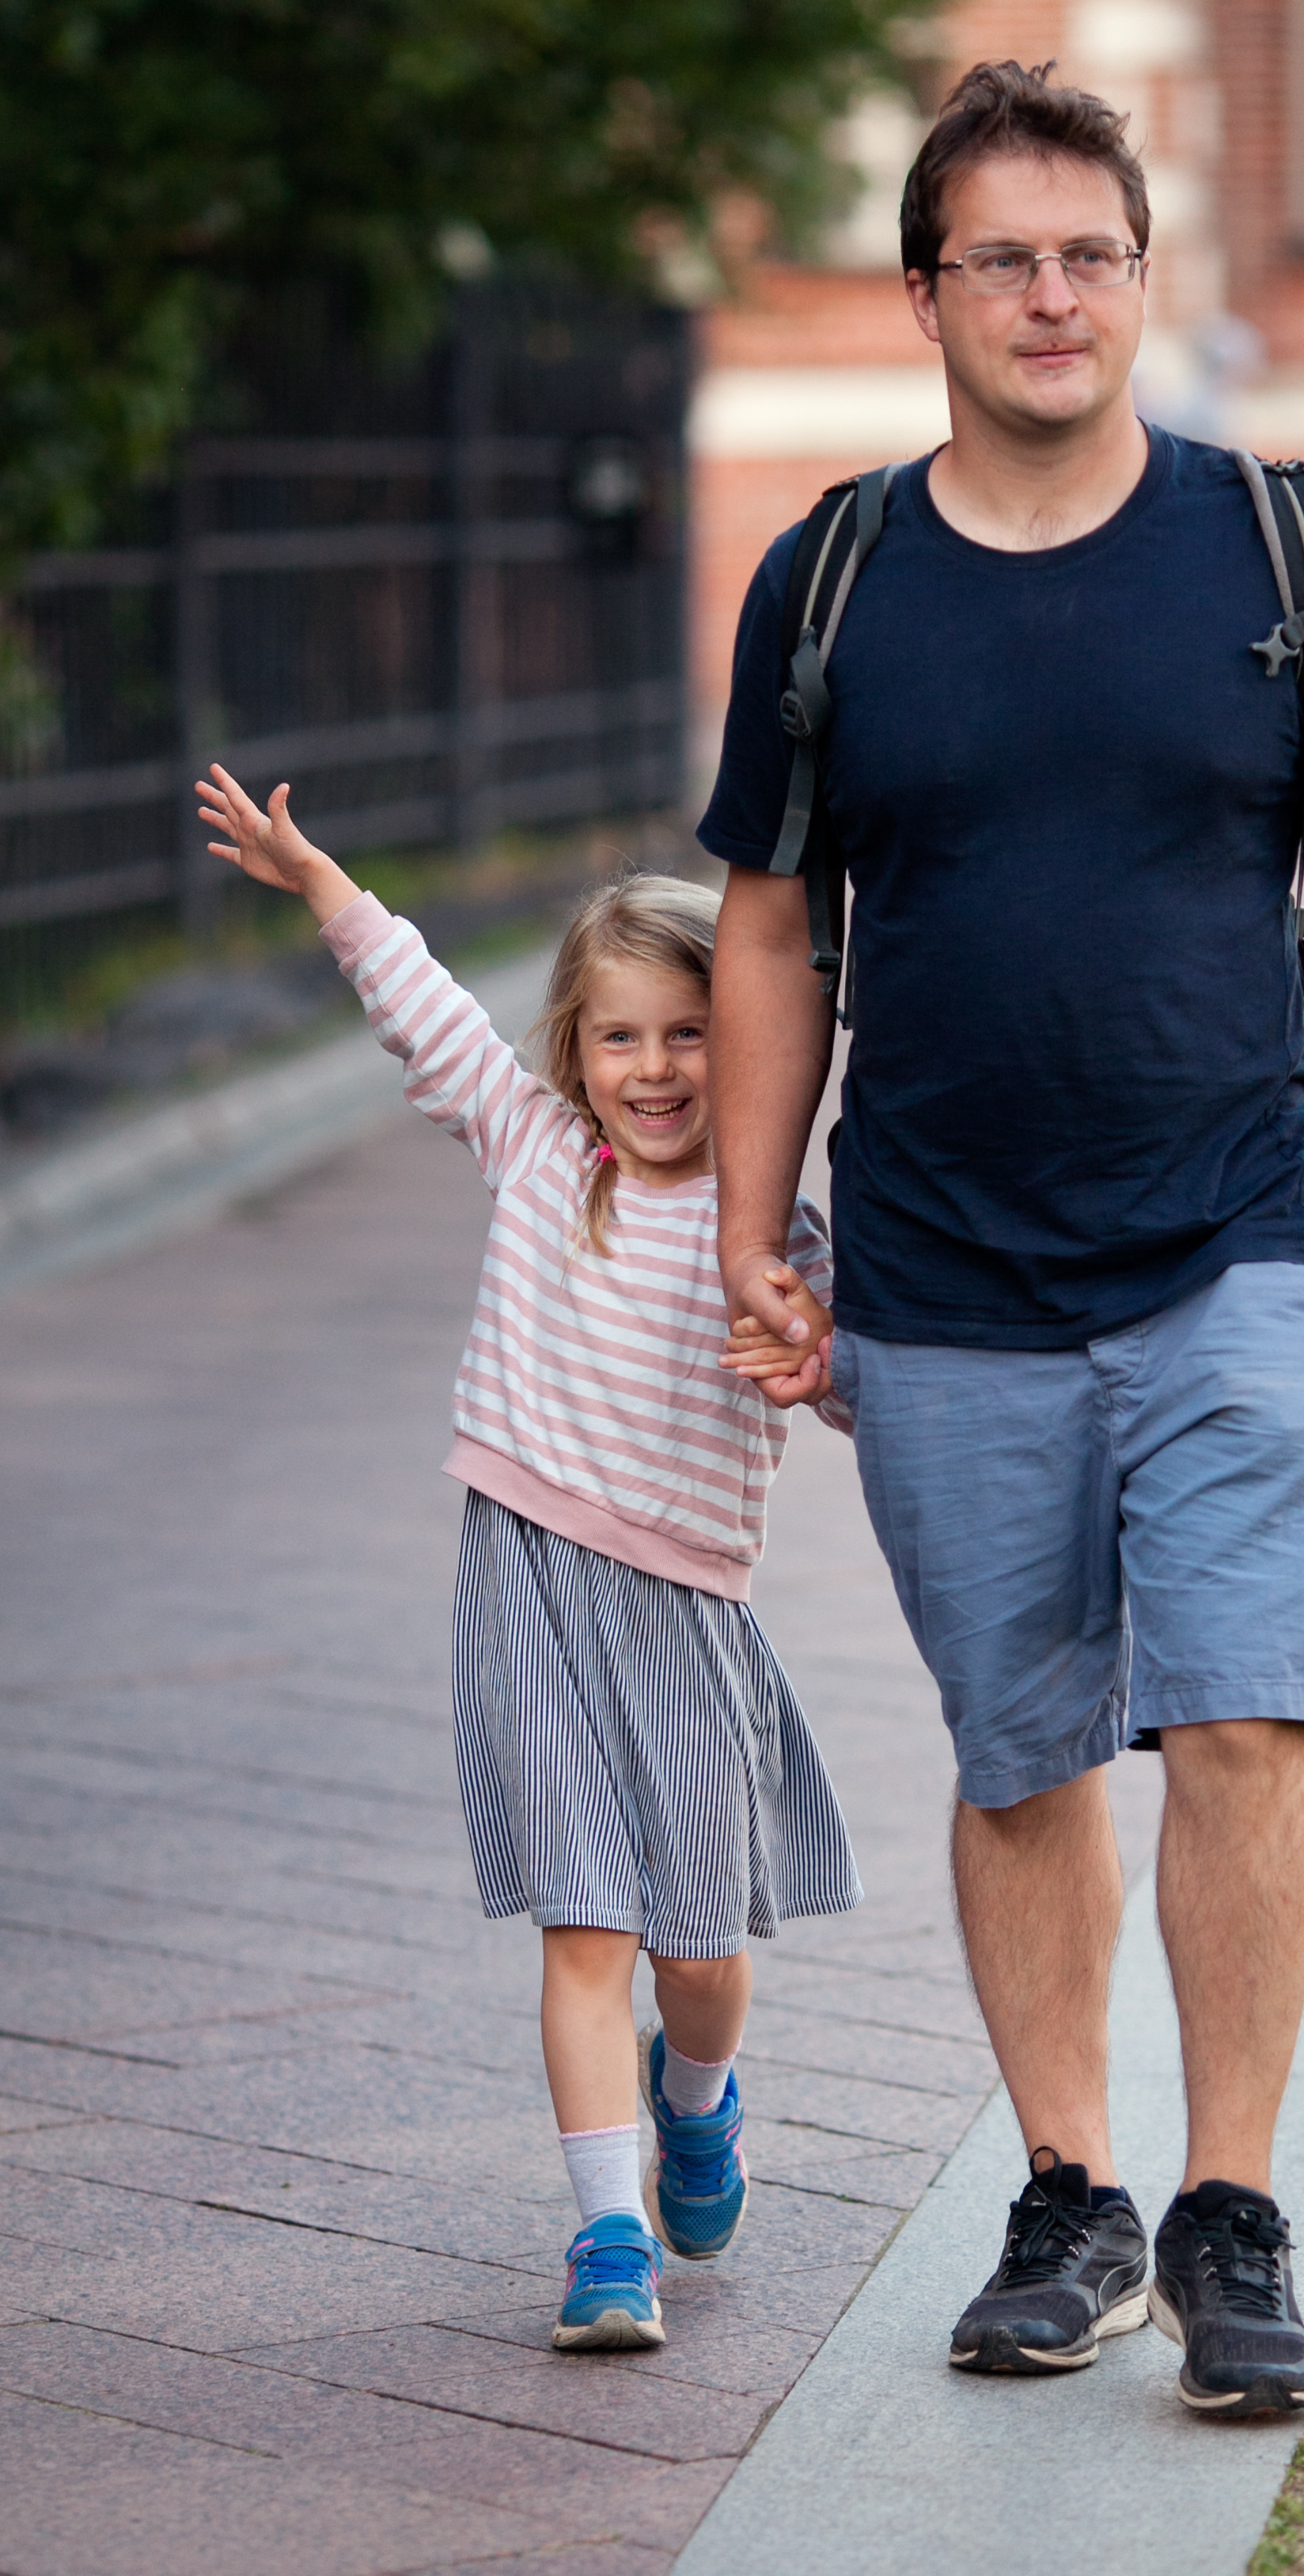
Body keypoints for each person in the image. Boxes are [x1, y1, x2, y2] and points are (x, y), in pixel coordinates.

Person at [706, 60, 1304, 2418]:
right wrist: (761, 1234)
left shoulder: (1276, 547)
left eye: (1091, 254)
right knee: (1020, 1748)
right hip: (943, 1273)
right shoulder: (835, 576)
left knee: (1245, 1710)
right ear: (928, 291)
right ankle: (1068, 2194)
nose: (1052, 296)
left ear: (1144, 279)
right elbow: (773, 935)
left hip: (1237, 1234)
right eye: (1005, 256)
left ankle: (1230, 2203)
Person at [195, 763, 861, 2355]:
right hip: (526, 1582)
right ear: (571, 1050)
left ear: (748, 1044)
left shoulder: (768, 1226)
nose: (651, 1067)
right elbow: (424, 1013)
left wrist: (819, 1364)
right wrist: (327, 889)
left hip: (689, 1602)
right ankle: (608, 2235)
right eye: (618, 1034)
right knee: (587, 1923)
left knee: (696, 1952)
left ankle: (693, 2103)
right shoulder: (534, 1148)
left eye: (689, 1031)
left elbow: (848, 1384)